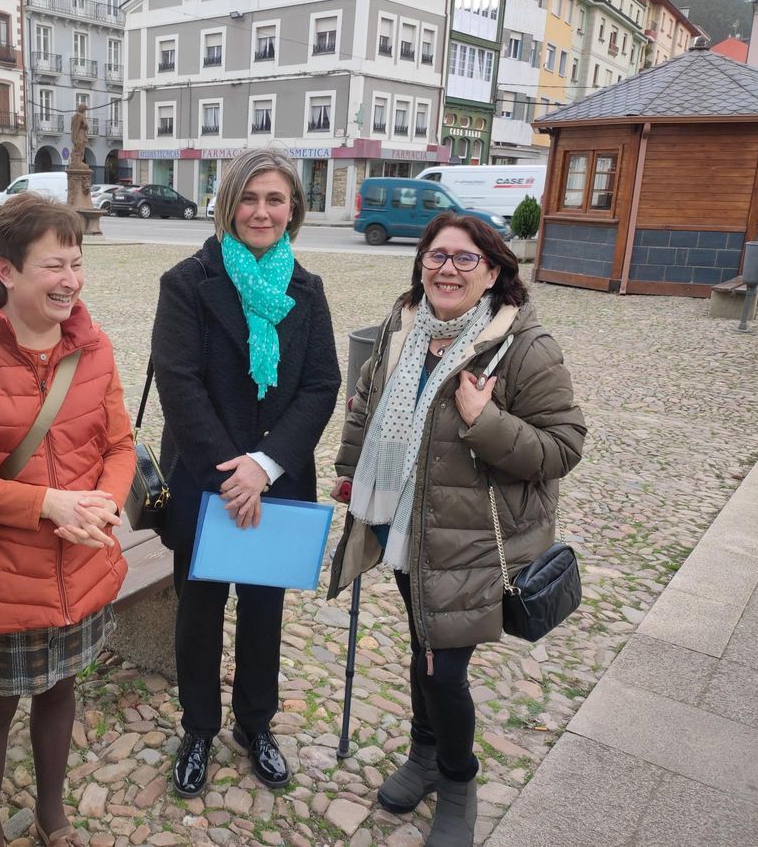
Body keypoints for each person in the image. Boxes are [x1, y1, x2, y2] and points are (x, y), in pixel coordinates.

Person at [329, 212, 586, 847]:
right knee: (424, 649)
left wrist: (483, 418)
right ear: (421, 265)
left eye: (465, 259)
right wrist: (348, 472)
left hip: (473, 541)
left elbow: (563, 447)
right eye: (436, 255)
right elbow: (366, 403)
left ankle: (458, 778)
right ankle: (423, 755)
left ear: (493, 271)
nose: (447, 269)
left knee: (445, 667)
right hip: (403, 525)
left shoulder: (524, 346)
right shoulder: (404, 327)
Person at [0, 192, 136, 847]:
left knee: (60, 690)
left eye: (76, 263)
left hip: (80, 563)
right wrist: (46, 504)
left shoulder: (93, 345)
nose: (71, 281)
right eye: (54, 266)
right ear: (7, 271)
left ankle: (54, 815)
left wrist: (105, 503)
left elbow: (119, 446)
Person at [150, 148, 340, 798]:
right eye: (250, 199)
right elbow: (178, 383)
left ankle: (255, 724)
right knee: (199, 615)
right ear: (227, 204)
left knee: (264, 615)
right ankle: (198, 727)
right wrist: (232, 474)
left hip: (277, 484)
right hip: (206, 483)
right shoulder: (186, 282)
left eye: (275, 199)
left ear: (294, 210)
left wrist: (263, 466)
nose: (262, 211)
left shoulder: (307, 290)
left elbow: (321, 386)